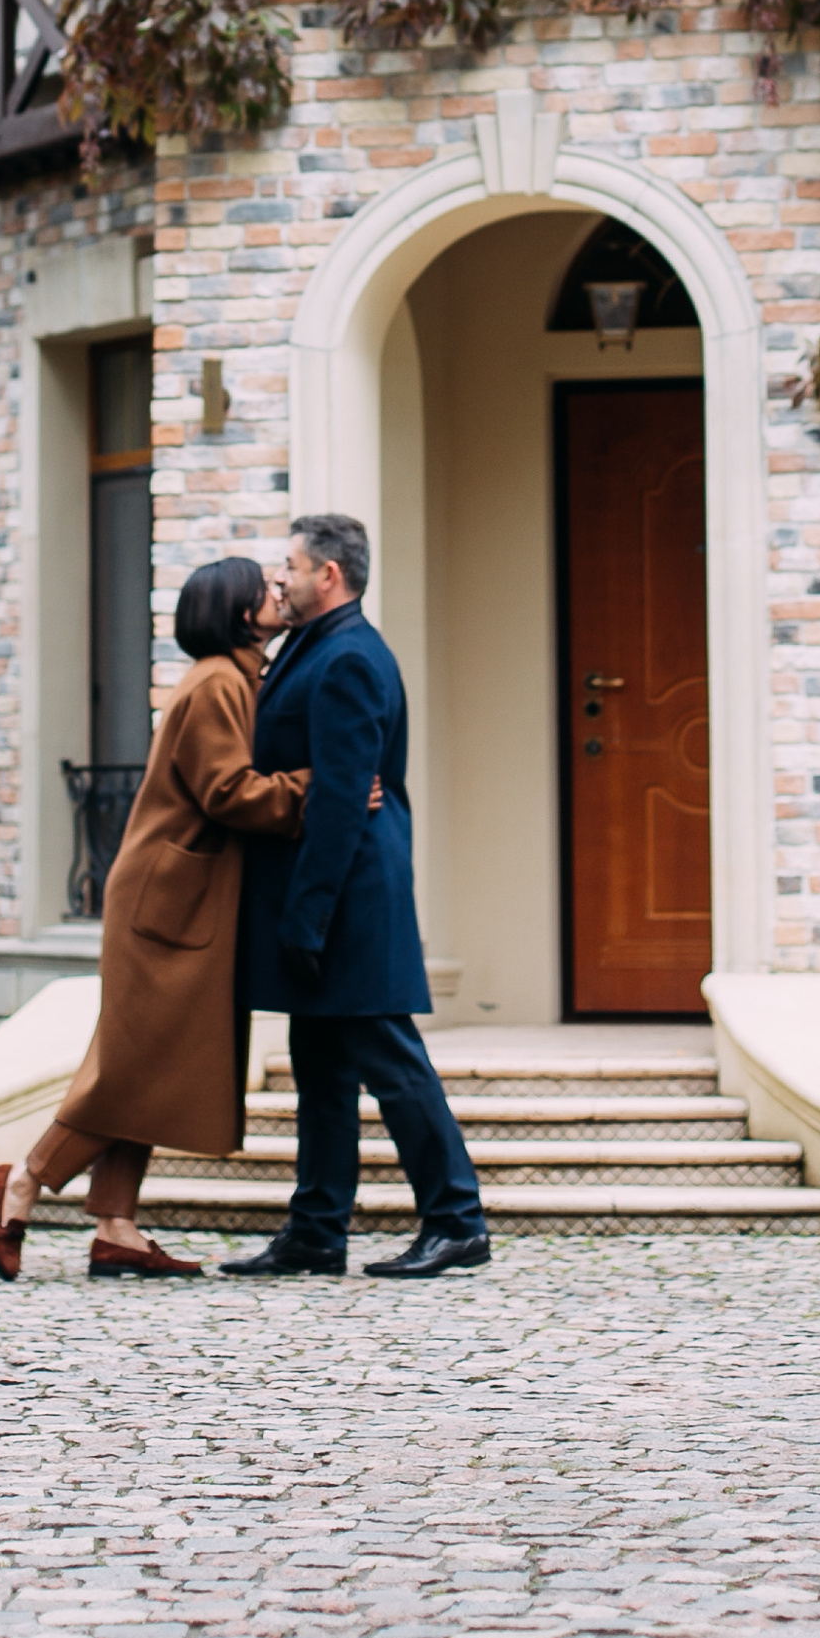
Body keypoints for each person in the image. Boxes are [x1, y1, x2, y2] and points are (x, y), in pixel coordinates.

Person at [0, 553, 308, 1279]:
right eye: (264, 590)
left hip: (180, 898)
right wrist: (316, 787)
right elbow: (229, 791)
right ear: (236, 611)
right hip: (167, 905)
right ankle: (23, 1182)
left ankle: (117, 1228)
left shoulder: (234, 676)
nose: (277, 593)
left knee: (147, 1066)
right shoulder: (217, 682)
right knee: (132, 1069)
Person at [224, 511, 491, 1282]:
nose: (280, 577)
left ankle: (455, 1220)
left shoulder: (348, 659)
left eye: (291, 566)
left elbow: (343, 800)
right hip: (328, 892)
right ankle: (315, 1230)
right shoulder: (311, 646)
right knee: (322, 1067)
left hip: (348, 897)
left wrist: (307, 917)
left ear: (328, 575)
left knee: (391, 1061)